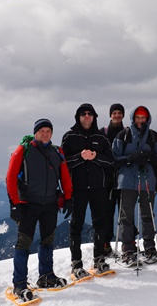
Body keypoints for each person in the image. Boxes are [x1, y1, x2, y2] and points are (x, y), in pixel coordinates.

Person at [6, 118, 74, 301]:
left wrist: (68, 197)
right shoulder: (24, 150)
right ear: (35, 133)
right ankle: (19, 284)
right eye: (42, 131)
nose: (45, 134)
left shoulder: (56, 152)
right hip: (28, 204)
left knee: (47, 240)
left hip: (50, 204)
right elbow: (11, 177)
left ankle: (46, 276)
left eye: (48, 131)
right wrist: (14, 203)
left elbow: (65, 176)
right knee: (24, 244)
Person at [61, 104, 115, 279]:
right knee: (76, 224)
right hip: (78, 188)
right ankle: (76, 264)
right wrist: (80, 157)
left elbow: (111, 161)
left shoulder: (101, 137)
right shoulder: (69, 137)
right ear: (78, 116)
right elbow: (63, 163)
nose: (86, 116)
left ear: (94, 116)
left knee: (100, 223)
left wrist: (96, 157)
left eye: (89, 114)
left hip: (99, 188)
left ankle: (99, 259)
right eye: (83, 114)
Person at [112, 106, 157, 266]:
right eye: (138, 117)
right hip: (128, 182)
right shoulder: (123, 135)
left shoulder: (154, 136)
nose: (140, 120)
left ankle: (149, 247)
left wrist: (148, 157)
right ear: (133, 118)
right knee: (126, 216)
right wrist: (130, 159)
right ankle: (128, 249)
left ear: (147, 119)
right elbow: (114, 159)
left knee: (147, 215)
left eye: (143, 117)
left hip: (147, 181)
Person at [100, 103, 126, 256]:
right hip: (107, 179)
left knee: (125, 212)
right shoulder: (103, 132)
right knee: (107, 213)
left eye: (119, 113)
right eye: (114, 113)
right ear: (110, 115)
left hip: (124, 178)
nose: (117, 115)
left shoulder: (128, 132)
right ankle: (105, 243)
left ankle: (127, 243)